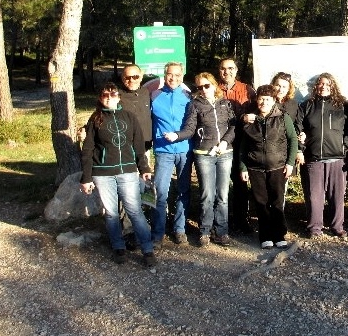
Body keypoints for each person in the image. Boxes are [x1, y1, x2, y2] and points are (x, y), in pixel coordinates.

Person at [79, 82, 156, 267]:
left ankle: (147, 249)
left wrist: (144, 168)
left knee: (135, 211)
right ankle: (118, 247)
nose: (109, 98)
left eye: (113, 95)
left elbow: (138, 146)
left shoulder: (129, 117)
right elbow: (88, 149)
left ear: (118, 97)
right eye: (105, 95)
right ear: (100, 98)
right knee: (112, 213)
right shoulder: (95, 119)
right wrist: (86, 178)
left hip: (128, 171)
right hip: (103, 173)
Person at [166, 72, 236, 247]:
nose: (203, 90)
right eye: (199, 87)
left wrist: (225, 142)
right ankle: (205, 230)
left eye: (207, 85)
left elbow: (233, 126)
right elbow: (190, 129)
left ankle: (221, 231)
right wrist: (177, 135)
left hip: (225, 153)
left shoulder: (225, 103)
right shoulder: (194, 105)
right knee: (207, 194)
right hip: (204, 154)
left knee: (223, 195)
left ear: (214, 85)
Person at [239, 85, 298, 249]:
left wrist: (290, 162)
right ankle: (265, 235)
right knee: (261, 202)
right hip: (255, 168)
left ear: (273, 101)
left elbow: (293, 140)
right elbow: (244, 146)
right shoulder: (250, 120)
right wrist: (243, 167)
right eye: (261, 98)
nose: (264, 102)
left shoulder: (282, 117)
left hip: (278, 166)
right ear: (257, 100)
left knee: (277, 202)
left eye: (267, 99)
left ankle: (279, 234)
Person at [296, 72, 348, 239]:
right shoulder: (306, 105)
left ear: (333, 85)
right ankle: (314, 228)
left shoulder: (343, 105)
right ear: (315, 86)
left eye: (327, 84)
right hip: (313, 158)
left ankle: (337, 226)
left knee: (337, 196)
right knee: (314, 196)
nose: (323, 87)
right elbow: (298, 128)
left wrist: (345, 146)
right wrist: (300, 147)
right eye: (320, 84)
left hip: (337, 157)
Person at [150, 61, 193, 248]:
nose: (173, 78)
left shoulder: (189, 97)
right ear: (164, 74)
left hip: (185, 150)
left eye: (177, 75)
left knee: (184, 191)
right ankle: (157, 232)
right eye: (170, 74)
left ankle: (180, 229)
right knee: (160, 192)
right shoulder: (154, 96)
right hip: (163, 151)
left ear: (182, 77)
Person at [218, 57, 256, 234]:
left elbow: (257, 110)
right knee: (220, 183)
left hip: (242, 141)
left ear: (236, 70)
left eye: (231, 68)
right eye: (224, 69)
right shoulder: (214, 88)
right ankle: (221, 220)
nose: (227, 72)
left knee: (241, 181)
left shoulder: (247, 89)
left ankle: (241, 219)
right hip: (219, 142)